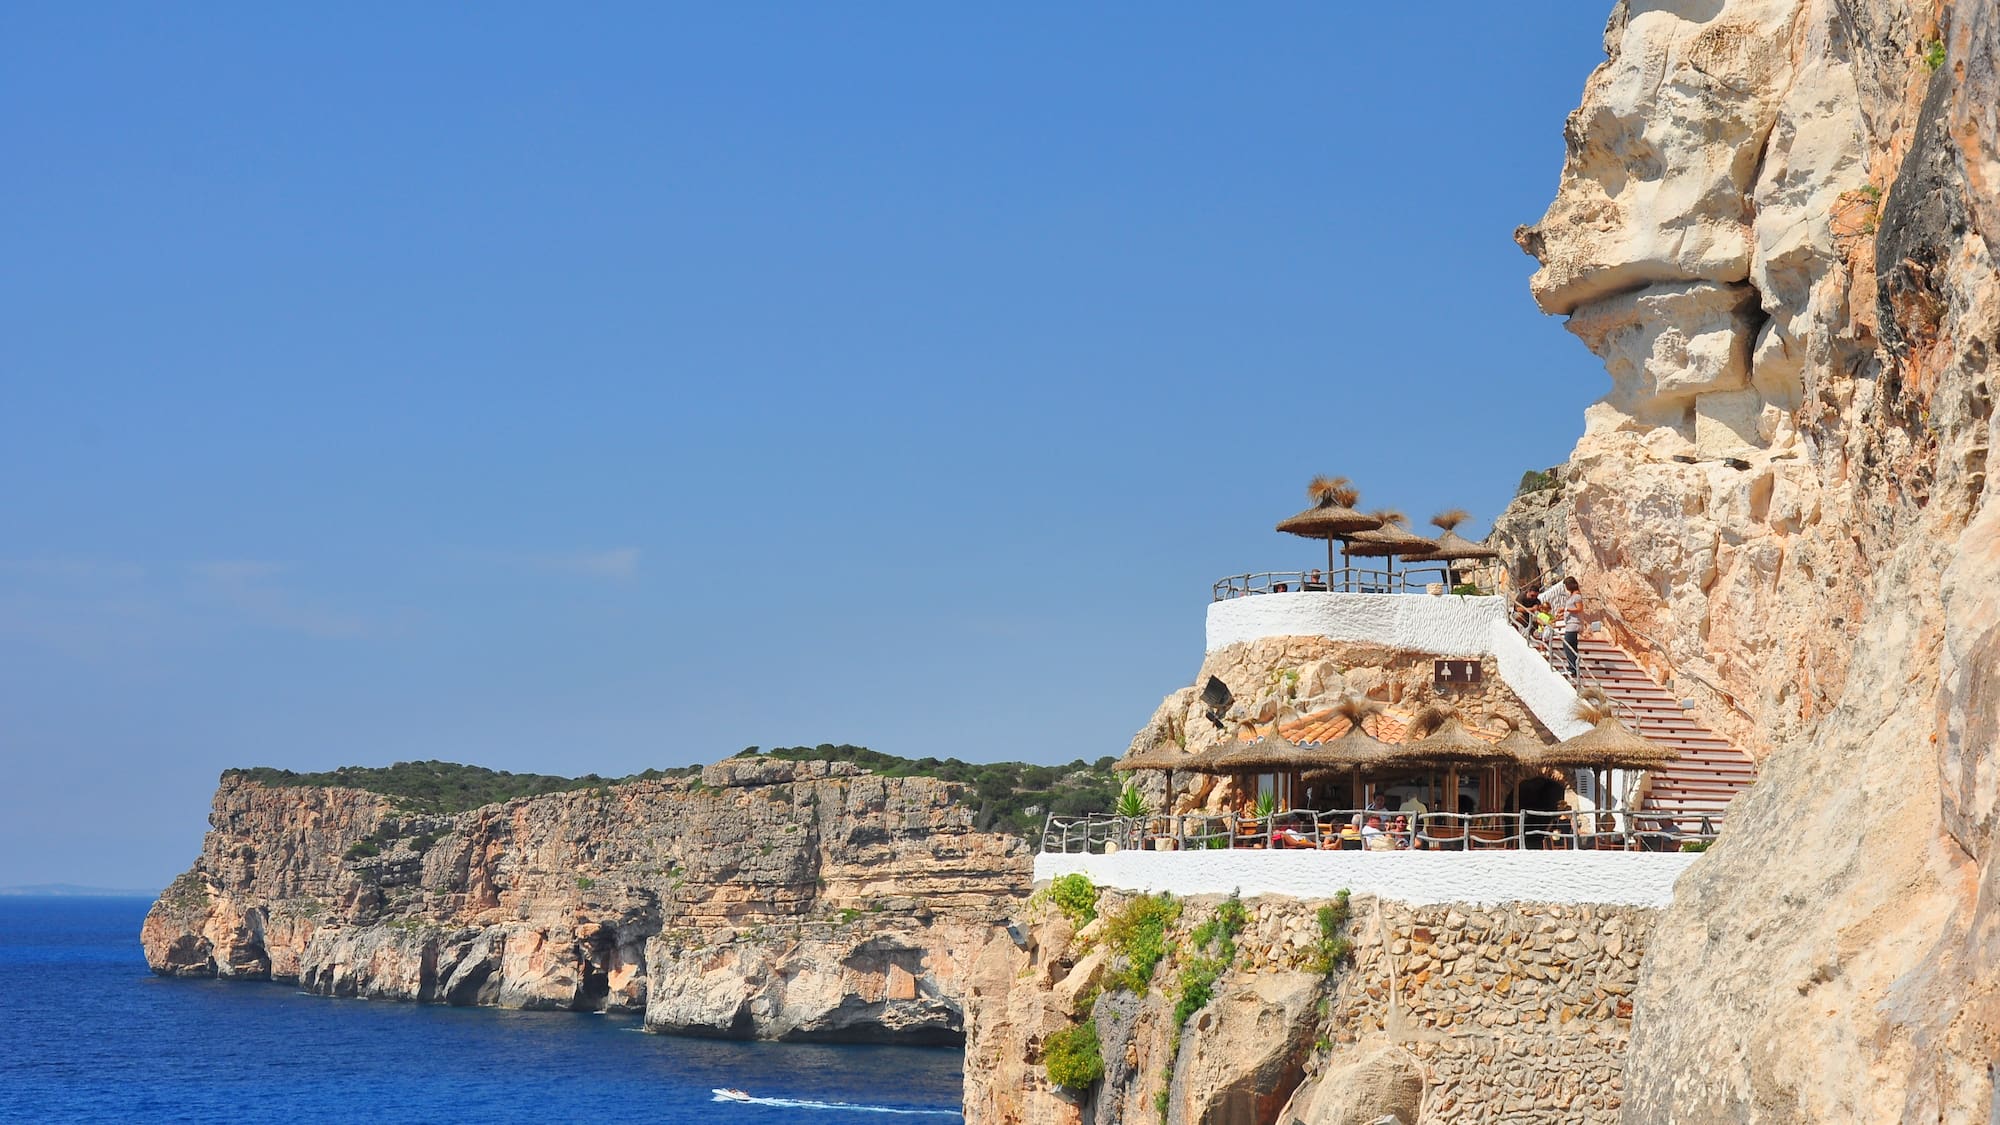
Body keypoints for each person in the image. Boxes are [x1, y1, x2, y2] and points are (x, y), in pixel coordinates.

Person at [1541, 576, 1584, 676]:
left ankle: (1572, 669)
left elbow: (1579, 609)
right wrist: (1562, 613)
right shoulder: (1572, 596)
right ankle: (1574, 668)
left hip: (1573, 624)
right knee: (1572, 646)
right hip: (1570, 623)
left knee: (1567, 645)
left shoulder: (1577, 596)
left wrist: (1566, 610)